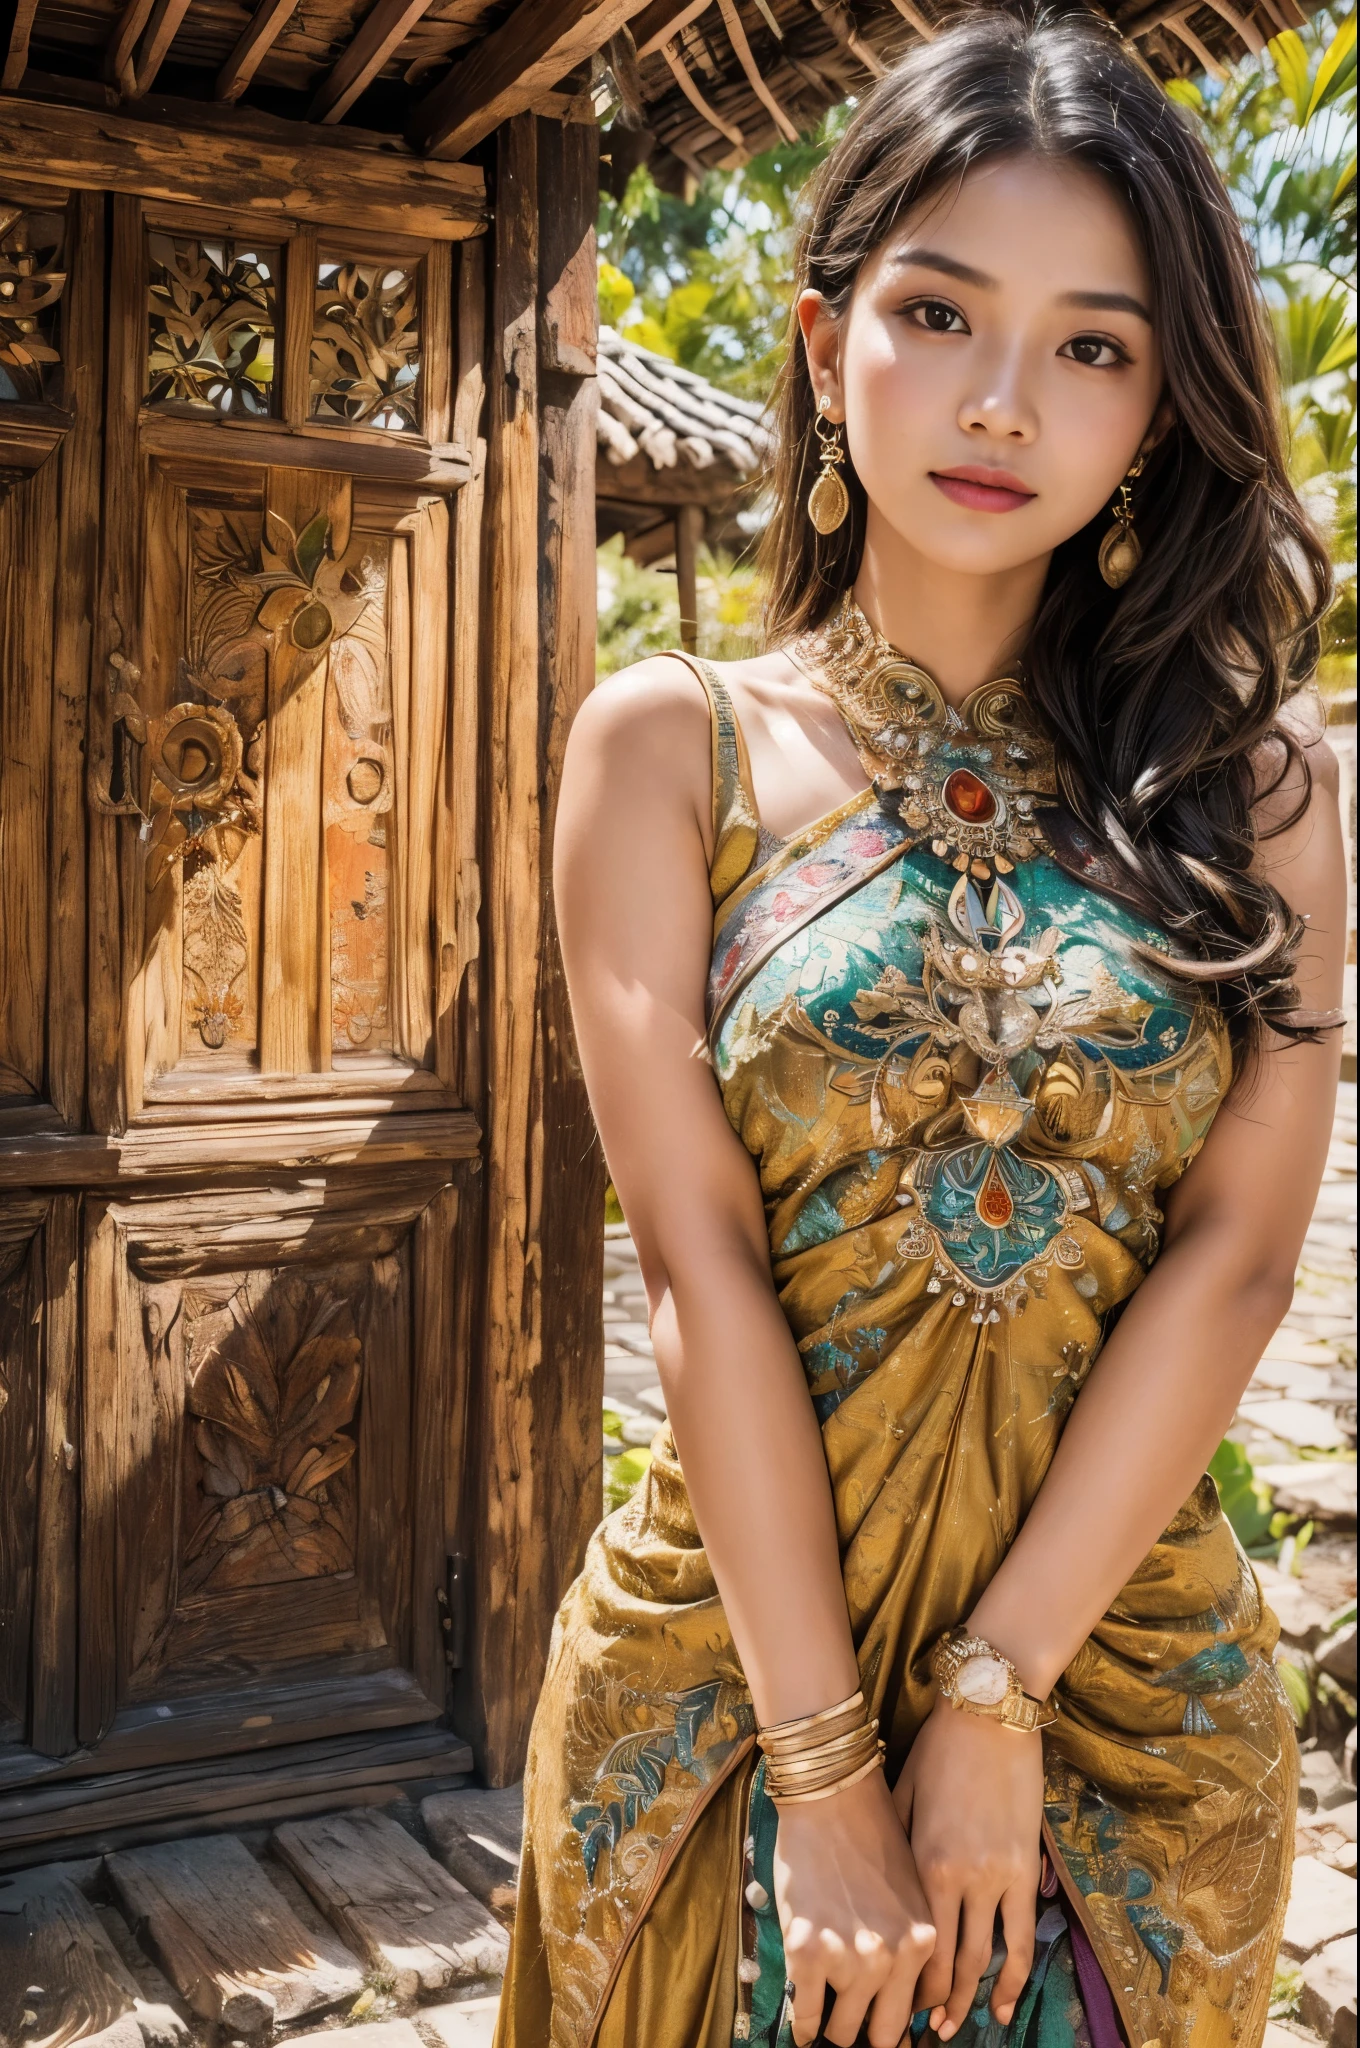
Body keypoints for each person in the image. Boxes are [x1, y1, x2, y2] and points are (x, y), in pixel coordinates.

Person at [494, 8, 1348, 2046]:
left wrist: (990, 1701)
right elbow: (695, 1258)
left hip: (1123, 1704)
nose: (997, 399)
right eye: (935, 311)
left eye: (1087, 344)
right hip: (719, 1701)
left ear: (1157, 405)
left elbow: (1235, 1261)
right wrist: (824, 1771)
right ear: (819, 343)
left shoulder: (1260, 790)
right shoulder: (667, 750)